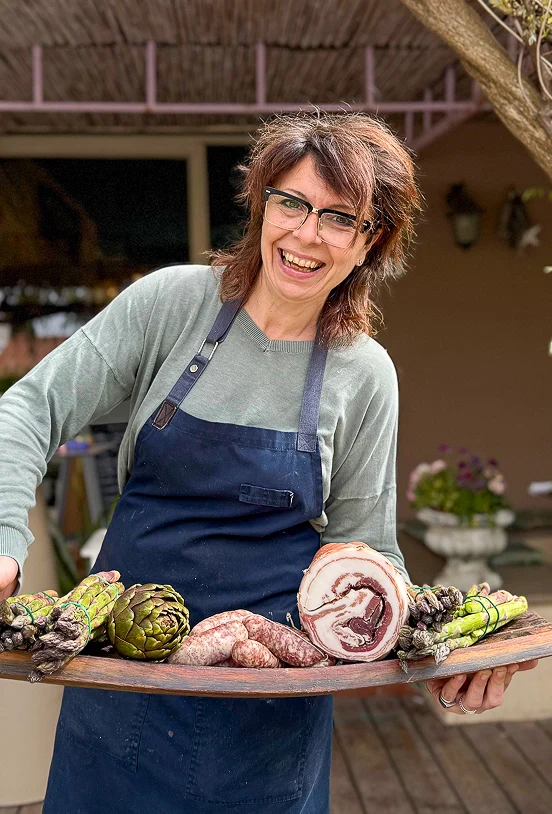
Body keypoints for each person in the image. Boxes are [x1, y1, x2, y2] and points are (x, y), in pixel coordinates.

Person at [0, 112, 536, 813]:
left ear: (370, 242)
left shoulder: (365, 374)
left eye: (340, 218)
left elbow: (370, 548)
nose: (307, 234)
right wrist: (5, 542)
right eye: (292, 202)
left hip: (272, 711)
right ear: (261, 205)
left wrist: (455, 654)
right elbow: (29, 409)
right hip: (123, 682)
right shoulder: (172, 305)